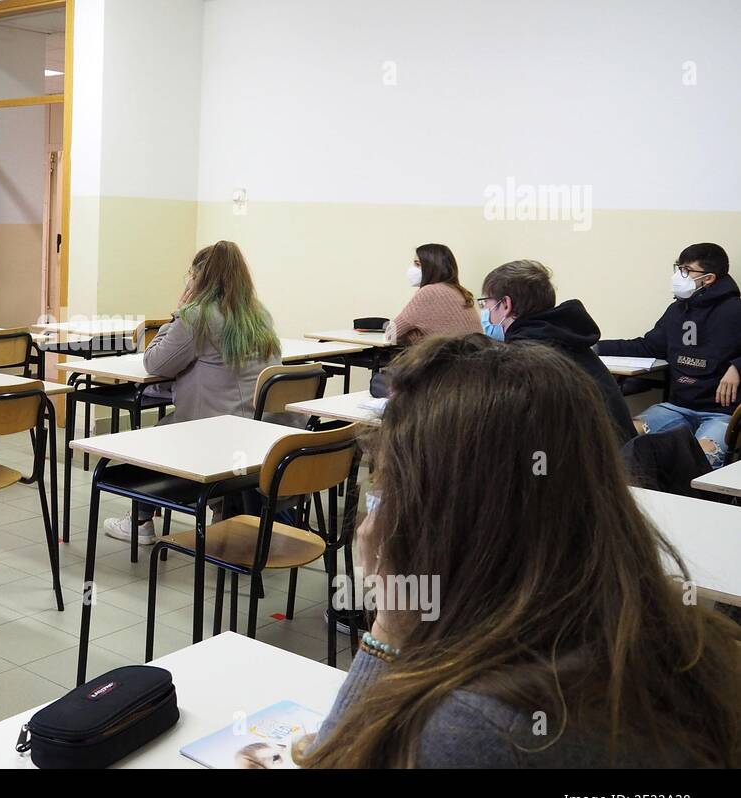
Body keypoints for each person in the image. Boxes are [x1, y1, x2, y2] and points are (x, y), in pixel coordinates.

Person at [303, 335, 740, 768]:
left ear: (437, 512)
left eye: (389, 481)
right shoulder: (696, 642)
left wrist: (388, 628)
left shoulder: (471, 727)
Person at [103, 241, 280, 544]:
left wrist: (178, 313)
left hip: (211, 434)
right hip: (258, 433)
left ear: (200, 277)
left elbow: (154, 361)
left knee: (151, 437)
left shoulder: (197, 316)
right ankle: (224, 510)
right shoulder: (259, 315)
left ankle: (141, 522)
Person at [596, 243, 741, 468]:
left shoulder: (735, 311)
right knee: (620, 435)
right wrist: (596, 348)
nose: (678, 276)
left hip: (720, 414)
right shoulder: (677, 311)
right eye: (678, 268)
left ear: (709, 278)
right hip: (676, 407)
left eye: (686, 270)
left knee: (699, 459)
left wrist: (737, 367)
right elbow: (648, 346)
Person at [479, 260, 636, 442]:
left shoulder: (525, 355)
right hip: (619, 457)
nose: (483, 312)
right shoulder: (567, 338)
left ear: (505, 304)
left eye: (485, 303)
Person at [385, 243, 480, 344]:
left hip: (449, 358)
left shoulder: (429, 292)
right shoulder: (458, 290)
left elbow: (390, 334)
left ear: (431, 267)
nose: (412, 269)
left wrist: (414, 336)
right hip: (473, 356)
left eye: (417, 264)